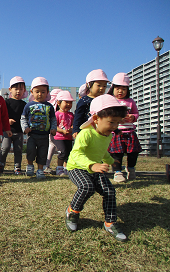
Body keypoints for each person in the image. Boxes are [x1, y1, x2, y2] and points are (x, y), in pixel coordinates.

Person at [65, 94, 128, 242]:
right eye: (111, 122)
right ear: (96, 119)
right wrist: (92, 165)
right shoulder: (85, 133)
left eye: (117, 123)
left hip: (95, 167)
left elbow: (101, 151)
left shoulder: (108, 135)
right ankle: (72, 212)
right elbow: (76, 154)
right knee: (87, 187)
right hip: (76, 167)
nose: (114, 127)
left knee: (109, 191)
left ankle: (110, 222)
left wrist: (111, 161)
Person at [21, 77, 57, 179]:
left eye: (43, 92)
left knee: (43, 153)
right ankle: (30, 166)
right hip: (32, 135)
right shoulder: (28, 105)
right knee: (30, 150)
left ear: (47, 92)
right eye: (37, 92)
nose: (40, 94)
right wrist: (25, 128)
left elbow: (53, 119)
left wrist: (53, 128)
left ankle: (40, 169)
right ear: (32, 91)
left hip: (44, 135)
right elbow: (23, 118)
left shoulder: (49, 106)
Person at [107, 73, 141, 182]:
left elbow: (136, 113)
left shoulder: (130, 101)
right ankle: (117, 172)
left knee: (133, 152)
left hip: (130, 131)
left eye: (123, 89)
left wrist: (133, 117)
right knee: (116, 153)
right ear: (112, 88)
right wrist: (116, 119)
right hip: (115, 132)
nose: (120, 91)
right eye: (117, 88)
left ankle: (131, 168)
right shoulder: (110, 100)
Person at [0, 76, 28, 174]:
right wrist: (7, 120)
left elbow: (26, 117)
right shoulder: (7, 102)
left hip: (19, 132)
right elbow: (2, 115)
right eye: (16, 89)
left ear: (24, 90)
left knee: (18, 150)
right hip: (7, 130)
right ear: (10, 89)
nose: (18, 91)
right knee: (5, 148)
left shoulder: (24, 104)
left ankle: (17, 167)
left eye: (21, 89)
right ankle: (1, 164)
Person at [72, 69, 109, 139]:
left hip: (101, 132)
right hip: (86, 132)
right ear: (89, 85)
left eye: (104, 86)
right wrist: (75, 129)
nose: (102, 88)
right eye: (99, 85)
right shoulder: (84, 100)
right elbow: (78, 116)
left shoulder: (104, 100)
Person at [54, 90, 75, 176]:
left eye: (70, 102)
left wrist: (71, 129)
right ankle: (59, 168)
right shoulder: (57, 114)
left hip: (69, 138)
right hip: (59, 138)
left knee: (69, 153)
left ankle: (66, 168)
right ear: (58, 102)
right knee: (62, 152)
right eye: (66, 102)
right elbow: (54, 126)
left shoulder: (71, 115)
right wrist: (62, 131)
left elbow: (74, 125)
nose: (69, 104)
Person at [43, 88, 62, 174]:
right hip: (55, 132)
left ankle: (46, 166)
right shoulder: (55, 108)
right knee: (61, 149)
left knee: (51, 147)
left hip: (52, 131)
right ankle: (61, 167)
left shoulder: (49, 105)